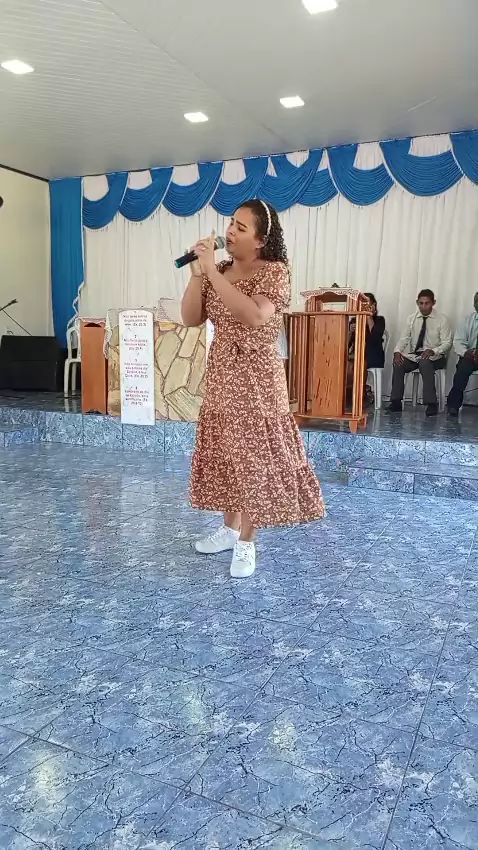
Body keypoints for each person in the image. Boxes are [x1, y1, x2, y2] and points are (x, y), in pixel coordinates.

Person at [181, 199, 325, 579]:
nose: (230, 231)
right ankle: (229, 530)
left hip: (256, 380)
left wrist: (212, 274)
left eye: (241, 228)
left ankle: (247, 541)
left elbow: (254, 314)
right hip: (222, 375)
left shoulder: (274, 272)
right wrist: (198, 273)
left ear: (260, 240)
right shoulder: (219, 270)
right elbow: (191, 317)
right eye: (231, 223)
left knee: (254, 459)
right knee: (227, 454)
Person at [388, 289, 452, 417]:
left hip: (436, 356)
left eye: (427, 303)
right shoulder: (412, 319)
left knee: (425, 362)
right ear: (417, 302)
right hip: (416, 355)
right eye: (421, 303)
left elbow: (447, 343)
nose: (423, 306)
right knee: (399, 363)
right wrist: (397, 351)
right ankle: (396, 402)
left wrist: (433, 350)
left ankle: (431, 403)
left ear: (433, 303)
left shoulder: (442, 319)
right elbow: (404, 338)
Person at [347, 293, 385, 404]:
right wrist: (350, 332)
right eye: (363, 304)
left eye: (368, 304)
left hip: (373, 355)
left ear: (374, 305)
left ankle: (360, 396)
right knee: (344, 363)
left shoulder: (379, 320)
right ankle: (350, 394)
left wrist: (369, 317)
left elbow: (376, 338)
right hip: (355, 355)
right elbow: (346, 344)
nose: (365, 307)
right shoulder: (354, 320)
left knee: (360, 363)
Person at [447, 292, 478, 416]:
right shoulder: (467, 321)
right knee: (463, 368)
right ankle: (453, 405)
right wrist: (467, 353)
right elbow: (458, 342)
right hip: (471, 357)